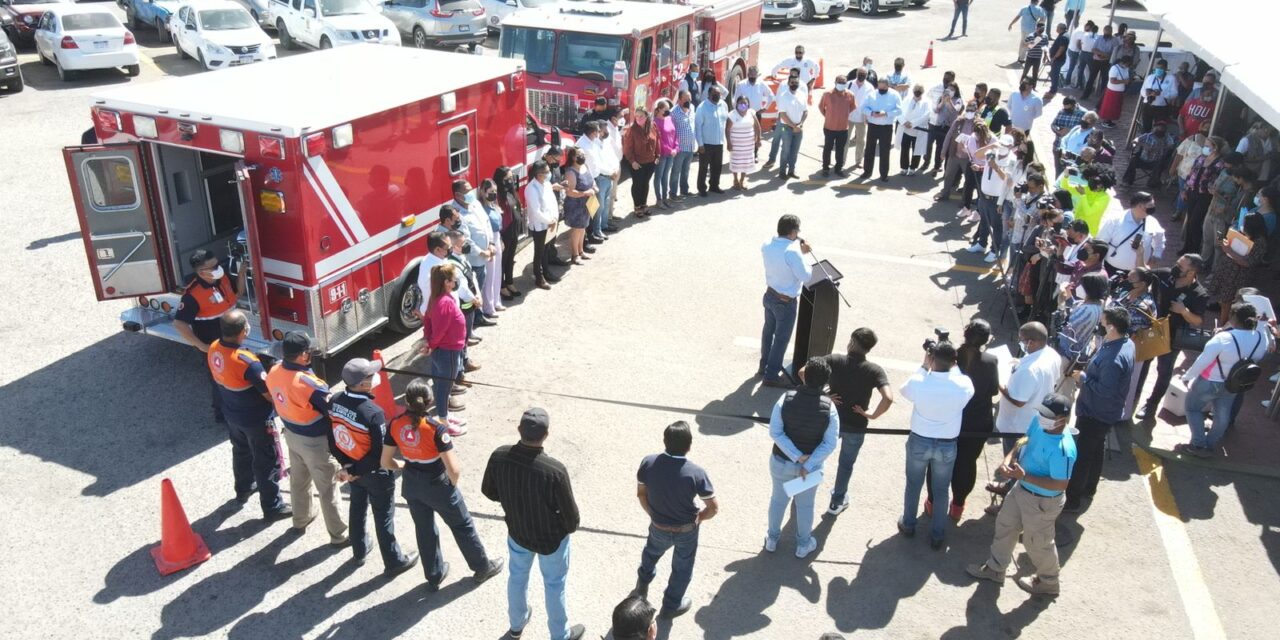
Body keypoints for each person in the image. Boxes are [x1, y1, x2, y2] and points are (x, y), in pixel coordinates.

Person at [381, 378, 502, 590]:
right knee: (462, 525)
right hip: (437, 484)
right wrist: (451, 487)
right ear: (429, 401)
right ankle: (482, 567)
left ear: (407, 402)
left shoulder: (395, 424)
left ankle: (434, 575)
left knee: (424, 529)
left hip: (411, 484)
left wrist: (403, 465)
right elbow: (453, 469)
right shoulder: (436, 429)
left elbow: (385, 461)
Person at [481, 408, 586, 640]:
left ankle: (516, 626)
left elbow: (488, 491)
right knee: (554, 585)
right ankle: (560, 635)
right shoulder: (554, 471)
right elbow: (572, 519)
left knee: (517, 577)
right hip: (551, 541)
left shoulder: (499, 456)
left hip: (517, 533)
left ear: (519, 430)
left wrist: (512, 501)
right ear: (546, 434)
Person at [966, 394, 1076, 596]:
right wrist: (1009, 459)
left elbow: (1060, 484)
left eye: (1048, 415)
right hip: (1021, 488)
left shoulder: (1064, 449)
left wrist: (1025, 477)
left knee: (1038, 544)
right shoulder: (1038, 422)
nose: (1042, 416)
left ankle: (1049, 582)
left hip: (1043, 501)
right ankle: (996, 568)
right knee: (1005, 525)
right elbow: (1023, 441)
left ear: (1062, 419)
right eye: (1041, 412)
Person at [329, 358, 420, 574]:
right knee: (383, 516)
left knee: (357, 507)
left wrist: (347, 467)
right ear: (363, 384)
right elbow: (379, 454)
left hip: (352, 467)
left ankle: (359, 550)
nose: (375, 378)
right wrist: (354, 469)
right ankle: (394, 561)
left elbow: (332, 438)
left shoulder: (334, 400)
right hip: (375, 473)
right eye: (371, 376)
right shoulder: (373, 412)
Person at [266, 331, 347, 544]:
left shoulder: (274, 370)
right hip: (315, 443)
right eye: (308, 350)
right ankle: (339, 535)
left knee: (299, 481)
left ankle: (301, 519)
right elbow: (332, 410)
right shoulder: (309, 384)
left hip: (292, 435)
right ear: (303, 355)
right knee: (328, 487)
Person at [208, 310, 290, 518]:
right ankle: (272, 506)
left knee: (241, 451)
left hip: (232, 415)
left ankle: (244, 488)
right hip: (256, 420)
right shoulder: (247, 361)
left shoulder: (214, 348)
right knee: (266, 461)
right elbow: (269, 394)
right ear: (244, 330)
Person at [633, 421, 718, 619]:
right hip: (686, 530)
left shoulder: (648, 463)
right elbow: (713, 508)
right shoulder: (696, 473)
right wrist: (699, 519)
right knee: (682, 568)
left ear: (665, 441)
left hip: (658, 526)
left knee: (651, 553)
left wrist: (653, 514)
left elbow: (641, 494)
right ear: (689, 445)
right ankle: (671, 605)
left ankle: (642, 586)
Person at [898, 341, 975, 549]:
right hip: (947, 445)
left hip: (919, 441)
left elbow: (904, 390)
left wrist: (924, 366)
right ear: (954, 362)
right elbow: (959, 377)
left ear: (932, 359)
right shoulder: (964, 384)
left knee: (913, 484)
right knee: (941, 490)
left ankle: (908, 524)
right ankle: (938, 534)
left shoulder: (921, 382)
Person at [765, 357, 839, 558]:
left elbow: (776, 432)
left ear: (804, 376)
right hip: (810, 471)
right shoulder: (829, 408)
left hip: (781, 463)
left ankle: (772, 539)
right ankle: (803, 545)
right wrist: (810, 462)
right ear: (826, 382)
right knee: (805, 506)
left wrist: (797, 456)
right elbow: (830, 443)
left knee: (778, 501)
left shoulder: (785, 399)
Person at [1176, 303, 1271, 458]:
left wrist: (1187, 376)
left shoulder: (1224, 338)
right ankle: (1209, 445)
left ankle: (1198, 444)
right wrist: (1262, 324)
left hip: (1210, 381)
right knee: (1222, 415)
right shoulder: (1261, 338)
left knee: (1193, 408)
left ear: (1233, 317)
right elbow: (1263, 352)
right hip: (1233, 385)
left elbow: (1202, 361)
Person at [927, 319, 999, 522]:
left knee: (938, 462)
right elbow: (993, 390)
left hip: (949, 418)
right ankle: (958, 505)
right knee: (967, 463)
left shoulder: (951, 355)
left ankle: (932, 503)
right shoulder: (991, 361)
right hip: (977, 422)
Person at [1063, 307, 1134, 512]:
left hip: (1096, 412)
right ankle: (1089, 488)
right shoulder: (1125, 343)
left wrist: (1082, 378)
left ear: (1112, 326)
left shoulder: (1113, 359)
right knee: (1096, 449)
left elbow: (1105, 390)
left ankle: (1072, 499)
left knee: (1083, 456)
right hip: (1106, 412)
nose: (1100, 326)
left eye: (1103, 323)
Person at [824, 328, 893, 515]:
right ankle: (837, 501)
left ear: (853, 342)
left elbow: (803, 371)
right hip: (856, 425)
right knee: (846, 464)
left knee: (816, 456)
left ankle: (802, 492)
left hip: (831, 420)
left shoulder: (834, 360)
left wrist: (824, 395)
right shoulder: (874, 371)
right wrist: (871, 416)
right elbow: (888, 398)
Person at [1133, 254, 1209, 423]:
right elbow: (1144, 272)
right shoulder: (1167, 275)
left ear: (1191, 272)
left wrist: (1183, 311)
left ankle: (1151, 405)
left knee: (1164, 371)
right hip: (1152, 329)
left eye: (1180, 266)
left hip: (1173, 338)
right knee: (1143, 363)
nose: (1176, 267)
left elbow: (1198, 320)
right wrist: (1140, 253)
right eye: (1177, 263)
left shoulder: (1199, 294)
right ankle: (1134, 395)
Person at [176, 248, 247, 423]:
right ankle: (221, 415)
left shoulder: (221, 278)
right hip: (213, 345)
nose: (219, 267)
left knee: (235, 376)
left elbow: (238, 294)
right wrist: (202, 347)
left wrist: (242, 273)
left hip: (231, 340)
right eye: (214, 266)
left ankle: (236, 409)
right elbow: (179, 324)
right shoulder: (193, 295)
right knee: (219, 382)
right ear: (202, 272)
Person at [995, 322, 1062, 461]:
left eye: (1021, 340)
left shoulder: (1029, 371)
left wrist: (999, 384)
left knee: (1013, 461)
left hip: (1017, 426)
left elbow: (1019, 401)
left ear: (1030, 342)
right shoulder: (1053, 355)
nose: (1020, 342)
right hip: (1034, 420)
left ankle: (1012, 482)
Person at [760, 215, 813, 388]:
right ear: (792, 232)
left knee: (768, 332)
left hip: (770, 295)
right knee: (781, 339)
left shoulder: (767, 244)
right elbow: (805, 276)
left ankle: (764, 365)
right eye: (797, 231)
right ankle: (771, 374)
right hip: (785, 301)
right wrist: (804, 254)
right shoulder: (793, 251)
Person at [420, 261, 469, 432]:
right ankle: (443, 422)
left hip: (442, 351)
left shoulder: (436, 299)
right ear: (446, 282)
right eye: (453, 279)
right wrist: (431, 344)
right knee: (444, 387)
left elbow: (427, 320)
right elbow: (440, 331)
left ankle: (444, 415)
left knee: (441, 385)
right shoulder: (445, 302)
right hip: (448, 351)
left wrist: (428, 341)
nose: (455, 282)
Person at [1206, 213, 1269, 326]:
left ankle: (1222, 325)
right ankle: (1223, 319)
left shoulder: (1260, 242)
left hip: (1237, 276)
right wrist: (1226, 243)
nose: (1243, 225)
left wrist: (1228, 250)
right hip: (1228, 270)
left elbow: (1248, 263)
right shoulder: (1245, 233)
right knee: (1223, 299)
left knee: (1228, 301)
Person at [455, 179, 498, 321]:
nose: (471, 192)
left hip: (485, 254)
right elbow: (465, 239)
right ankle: (472, 321)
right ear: (458, 195)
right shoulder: (457, 214)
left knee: (480, 287)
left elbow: (487, 224)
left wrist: (491, 243)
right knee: (473, 292)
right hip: (473, 260)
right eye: (467, 191)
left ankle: (479, 315)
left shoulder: (475, 204)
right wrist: (481, 252)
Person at [1097, 191, 1166, 276]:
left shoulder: (1152, 222)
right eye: (1150, 206)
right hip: (1112, 270)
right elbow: (1100, 243)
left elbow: (1160, 240)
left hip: (1138, 274)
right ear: (1140, 206)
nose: (1153, 208)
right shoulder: (1115, 221)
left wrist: (1155, 257)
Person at [1180, 136, 1228, 256]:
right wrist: (1185, 189)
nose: (1205, 148)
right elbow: (1191, 173)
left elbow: (1218, 180)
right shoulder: (1201, 158)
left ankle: (1195, 249)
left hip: (1205, 195)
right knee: (1189, 219)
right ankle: (1187, 246)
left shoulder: (1220, 163)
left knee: (1195, 221)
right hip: (1192, 191)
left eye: (1208, 146)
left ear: (1215, 148)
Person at [1201, 162, 1253, 266]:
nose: (1234, 180)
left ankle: (1214, 270)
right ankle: (1205, 264)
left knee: (1219, 246)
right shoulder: (1242, 189)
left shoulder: (1247, 194)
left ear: (1241, 178)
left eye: (1235, 178)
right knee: (1210, 242)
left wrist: (1224, 209)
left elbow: (1240, 212)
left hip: (1226, 222)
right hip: (1224, 219)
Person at [935, 100, 979, 207]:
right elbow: (949, 136)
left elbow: (981, 140)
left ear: (976, 111)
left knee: (968, 181)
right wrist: (943, 151)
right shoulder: (958, 121)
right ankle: (945, 194)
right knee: (948, 175)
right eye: (968, 110)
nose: (969, 112)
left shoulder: (978, 124)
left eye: (972, 110)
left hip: (968, 158)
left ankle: (965, 201)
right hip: (955, 154)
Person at [524, 161, 558, 290]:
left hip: (550, 223)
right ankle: (539, 277)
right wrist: (549, 220)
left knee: (547, 249)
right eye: (546, 172)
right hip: (540, 226)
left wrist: (554, 217)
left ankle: (546, 272)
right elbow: (536, 210)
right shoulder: (531, 189)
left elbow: (552, 201)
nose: (549, 174)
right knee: (539, 252)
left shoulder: (547, 184)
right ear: (539, 174)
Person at [1169, 120, 1211, 221]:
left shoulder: (1211, 144)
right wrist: (1173, 168)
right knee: (1184, 191)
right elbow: (1180, 154)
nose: (1207, 130)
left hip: (1200, 176)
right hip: (1185, 172)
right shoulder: (1191, 139)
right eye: (1206, 127)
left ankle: (1186, 212)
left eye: (1209, 128)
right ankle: (1179, 211)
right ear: (1201, 127)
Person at [577, 123, 612, 243]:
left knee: (593, 208)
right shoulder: (582, 145)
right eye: (598, 131)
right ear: (593, 132)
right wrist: (591, 182)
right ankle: (587, 238)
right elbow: (582, 167)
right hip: (587, 182)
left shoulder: (592, 142)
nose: (599, 133)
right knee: (589, 210)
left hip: (594, 180)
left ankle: (591, 234)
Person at [861, 78, 902, 182]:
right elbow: (863, 108)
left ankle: (884, 174)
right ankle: (867, 171)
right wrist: (871, 113)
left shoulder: (895, 95)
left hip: (886, 127)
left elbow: (899, 110)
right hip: (873, 126)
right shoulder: (872, 94)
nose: (881, 89)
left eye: (883, 88)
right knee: (869, 150)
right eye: (879, 87)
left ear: (888, 86)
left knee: (884, 151)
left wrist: (887, 113)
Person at [561, 147, 596, 261]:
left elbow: (592, 181)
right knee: (576, 230)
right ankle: (575, 255)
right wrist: (585, 193)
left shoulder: (585, 167)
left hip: (586, 203)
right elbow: (570, 192)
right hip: (575, 205)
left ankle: (581, 251)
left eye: (583, 154)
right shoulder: (571, 172)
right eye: (579, 154)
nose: (582, 156)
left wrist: (594, 188)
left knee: (583, 228)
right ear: (572, 157)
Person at [623, 106, 659, 217]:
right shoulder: (632, 130)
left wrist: (657, 155)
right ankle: (637, 206)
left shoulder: (653, 126)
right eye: (636, 116)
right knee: (637, 184)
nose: (638, 118)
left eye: (641, 116)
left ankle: (644, 204)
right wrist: (632, 161)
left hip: (650, 162)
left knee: (645, 184)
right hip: (637, 163)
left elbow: (657, 141)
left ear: (646, 116)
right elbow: (627, 149)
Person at [923, 72, 961, 172]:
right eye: (949, 89)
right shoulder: (940, 94)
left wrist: (949, 101)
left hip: (946, 127)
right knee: (928, 144)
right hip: (933, 123)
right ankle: (926, 162)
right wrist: (943, 101)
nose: (949, 91)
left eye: (952, 89)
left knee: (940, 147)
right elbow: (936, 109)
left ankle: (937, 165)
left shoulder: (958, 100)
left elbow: (955, 110)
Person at [819, 75, 856, 177]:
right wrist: (828, 116)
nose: (841, 84)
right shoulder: (827, 94)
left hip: (843, 128)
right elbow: (821, 107)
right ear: (835, 83)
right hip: (829, 127)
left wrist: (844, 115)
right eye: (839, 82)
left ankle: (838, 168)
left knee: (840, 149)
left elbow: (852, 107)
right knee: (828, 148)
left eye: (843, 82)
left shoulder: (850, 95)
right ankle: (825, 168)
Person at [695, 87, 729, 196]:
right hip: (706, 143)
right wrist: (700, 144)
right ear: (709, 94)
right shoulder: (702, 107)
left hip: (719, 142)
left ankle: (714, 186)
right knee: (704, 168)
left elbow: (725, 122)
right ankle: (702, 188)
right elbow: (698, 127)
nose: (717, 95)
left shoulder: (723, 105)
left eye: (719, 94)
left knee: (717, 166)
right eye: (715, 93)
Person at [773, 73, 807, 181]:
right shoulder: (784, 96)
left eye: (796, 83)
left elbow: (805, 111)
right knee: (786, 149)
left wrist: (801, 123)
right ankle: (782, 171)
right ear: (788, 83)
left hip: (799, 127)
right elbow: (783, 114)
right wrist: (793, 126)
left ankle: (791, 170)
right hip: (786, 127)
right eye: (792, 82)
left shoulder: (802, 95)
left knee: (795, 150)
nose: (794, 84)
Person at [1122, 122, 1176, 188]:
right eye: (1158, 128)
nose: (1160, 129)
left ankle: (1153, 183)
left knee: (1161, 164)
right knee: (1133, 160)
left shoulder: (1167, 137)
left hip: (1156, 161)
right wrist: (1144, 145)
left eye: (1162, 128)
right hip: (1143, 159)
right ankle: (1127, 181)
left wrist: (1161, 147)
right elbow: (1134, 141)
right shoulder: (1148, 135)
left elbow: (1171, 146)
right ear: (1155, 128)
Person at [726, 95, 761, 191]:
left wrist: (758, 139)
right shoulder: (732, 114)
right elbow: (727, 130)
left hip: (749, 144)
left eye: (745, 103)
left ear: (748, 104)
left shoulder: (751, 113)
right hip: (736, 144)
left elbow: (757, 127)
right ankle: (735, 180)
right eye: (740, 103)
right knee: (736, 162)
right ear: (736, 104)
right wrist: (728, 142)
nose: (743, 105)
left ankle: (742, 180)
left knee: (746, 162)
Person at [897, 84, 931, 175]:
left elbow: (926, 115)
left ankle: (913, 168)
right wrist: (904, 122)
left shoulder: (926, 102)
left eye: (919, 90)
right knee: (905, 149)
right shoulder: (907, 99)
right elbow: (899, 111)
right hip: (906, 129)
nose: (917, 91)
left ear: (922, 92)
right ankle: (904, 167)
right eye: (916, 89)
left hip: (918, 131)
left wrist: (913, 124)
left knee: (916, 151)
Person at [670, 90, 698, 200]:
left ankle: (684, 191)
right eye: (686, 99)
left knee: (686, 170)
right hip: (680, 148)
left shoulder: (692, 108)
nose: (689, 101)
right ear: (679, 100)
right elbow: (671, 131)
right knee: (676, 171)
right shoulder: (674, 112)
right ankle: (672, 193)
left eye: (690, 99)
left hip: (690, 146)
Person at [1139, 59, 1178, 132]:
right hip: (1148, 104)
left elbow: (1175, 94)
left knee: (1159, 128)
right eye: (1157, 68)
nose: (1158, 70)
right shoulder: (1150, 77)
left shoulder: (1171, 78)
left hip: (1161, 107)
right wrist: (1147, 93)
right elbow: (1142, 91)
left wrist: (1161, 94)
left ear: (1165, 69)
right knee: (1145, 127)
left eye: (1161, 68)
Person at [652, 100, 678, 209]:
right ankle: (659, 200)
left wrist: (676, 148)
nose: (668, 111)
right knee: (658, 177)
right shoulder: (655, 122)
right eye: (665, 109)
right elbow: (659, 140)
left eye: (669, 109)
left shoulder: (669, 119)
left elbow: (675, 134)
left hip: (671, 153)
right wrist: (669, 150)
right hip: (662, 154)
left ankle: (664, 198)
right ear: (658, 110)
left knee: (665, 176)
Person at [1178, 73, 1218, 142]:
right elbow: (1180, 116)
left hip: (1199, 139)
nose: (1209, 96)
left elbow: (1213, 121)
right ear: (1201, 94)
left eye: (1210, 94)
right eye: (1207, 94)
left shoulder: (1213, 106)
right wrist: (1181, 129)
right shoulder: (1191, 102)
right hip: (1185, 135)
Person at [1081, 23, 1116, 101]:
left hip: (1106, 62)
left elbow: (1114, 53)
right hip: (1096, 60)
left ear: (1111, 32)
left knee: (1104, 80)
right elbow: (1093, 49)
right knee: (1091, 78)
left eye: (1108, 33)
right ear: (1103, 31)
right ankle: (1085, 95)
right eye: (1105, 32)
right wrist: (1101, 54)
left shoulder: (1114, 41)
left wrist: (1104, 55)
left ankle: (1103, 98)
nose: (1106, 34)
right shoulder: (1100, 38)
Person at [1097, 55, 1134, 128]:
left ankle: (1110, 120)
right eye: (1128, 64)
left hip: (1120, 91)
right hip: (1112, 91)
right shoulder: (1114, 68)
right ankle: (1106, 121)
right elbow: (1112, 80)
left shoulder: (1126, 69)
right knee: (1109, 107)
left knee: (1115, 107)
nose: (1128, 66)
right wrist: (1124, 81)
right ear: (1124, 62)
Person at [1046, 22, 1070, 95]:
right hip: (1058, 59)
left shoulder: (1063, 37)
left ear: (1060, 29)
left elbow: (1061, 48)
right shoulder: (1064, 35)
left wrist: (1054, 57)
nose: (1056, 29)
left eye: (1057, 28)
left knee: (1054, 74)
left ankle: (1053, 90)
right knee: (1054, 74)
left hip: (1058, 59)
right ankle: (1053, 88)